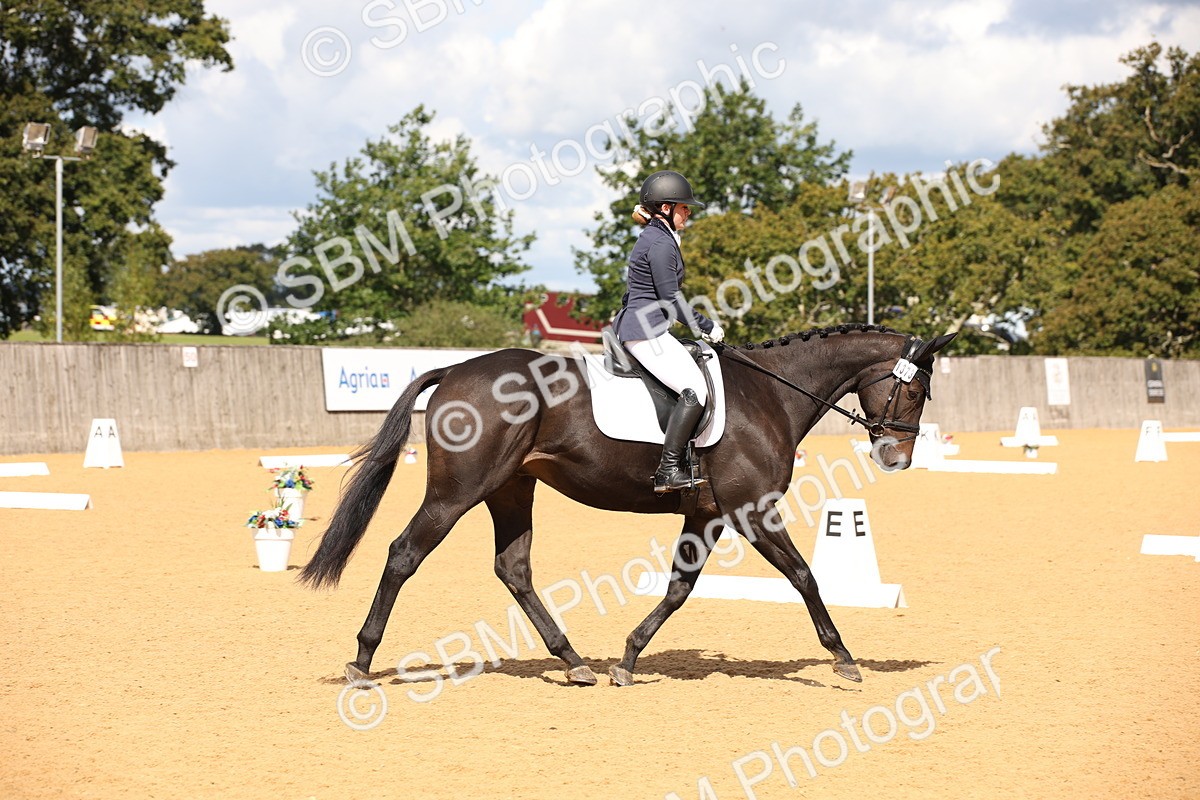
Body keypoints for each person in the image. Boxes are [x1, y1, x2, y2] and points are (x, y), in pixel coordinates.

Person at [611, 170, 725, 493]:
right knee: (695, 389)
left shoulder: (656, 237)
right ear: (665, 209)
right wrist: (706, 326)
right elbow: (671, 299)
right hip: (645, 333)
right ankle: (668, 469)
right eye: (683, 207)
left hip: (645, 327)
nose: (688, 212)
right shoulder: (660, 243)